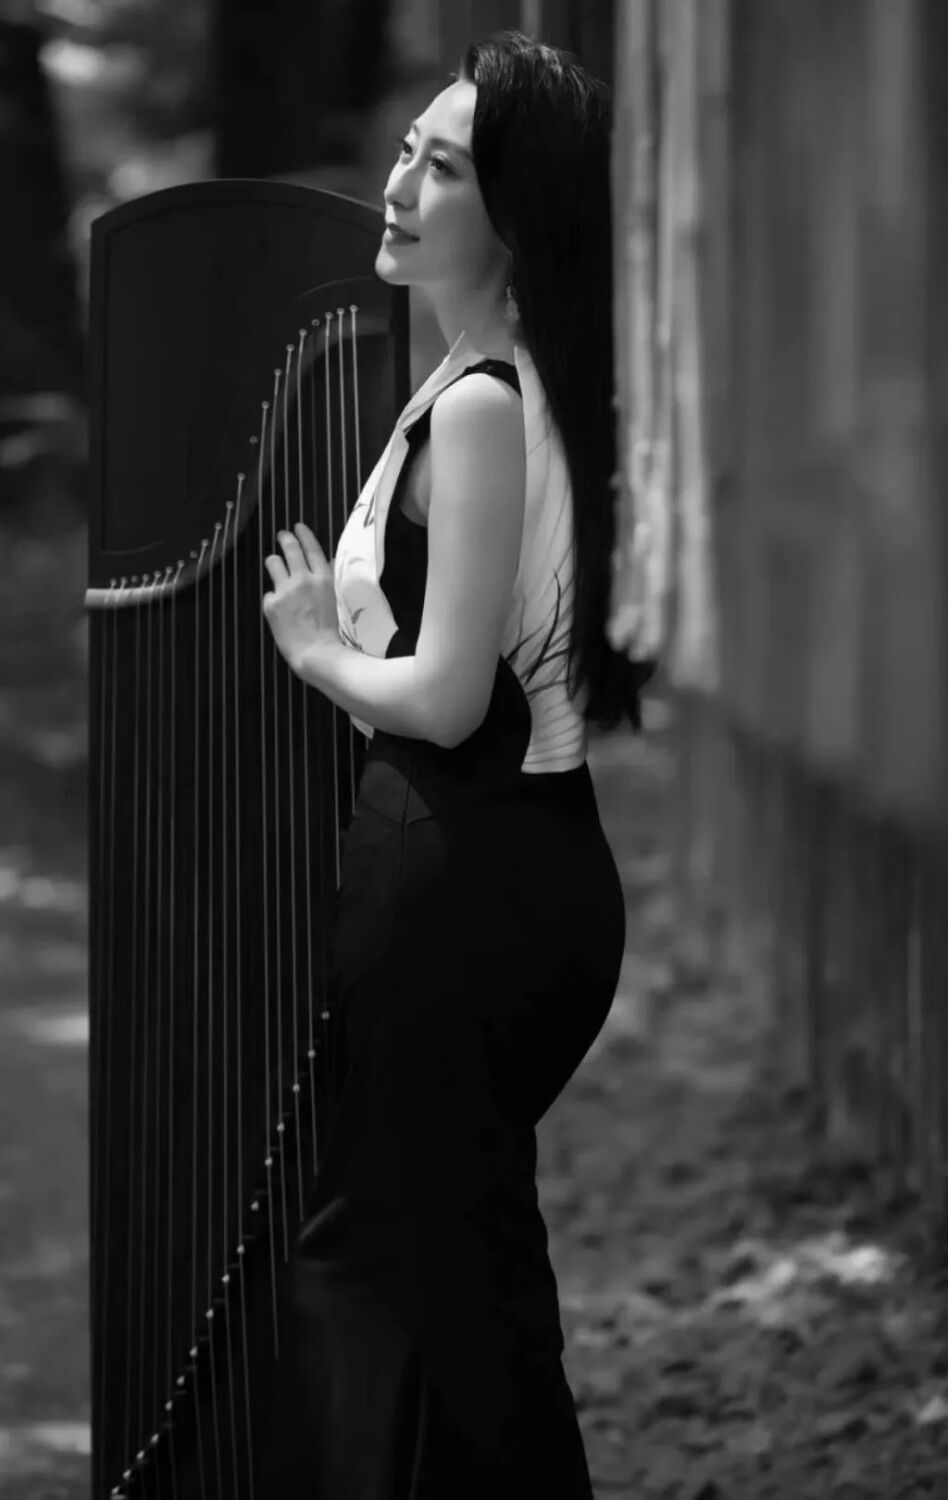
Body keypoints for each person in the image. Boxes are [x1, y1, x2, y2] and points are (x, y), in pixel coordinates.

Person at [258, 28, 649, 1498]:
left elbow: (441, 695)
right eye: (408, 151)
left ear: (519, 214)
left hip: (467, 879)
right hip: (504, 872)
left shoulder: (484, 402)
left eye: (448, 168)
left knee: (395, 1270)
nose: (401, 183)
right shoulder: (500, 386)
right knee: (451, 1274)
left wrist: (313, 647)